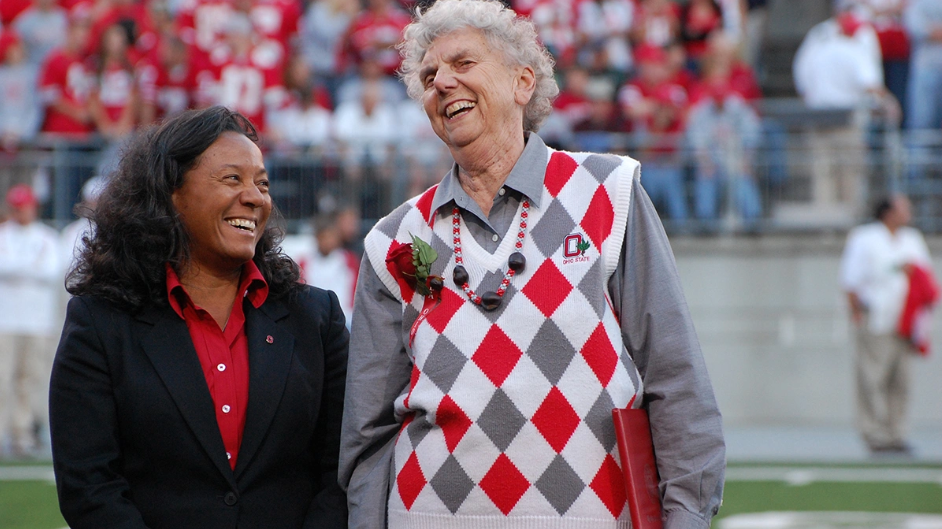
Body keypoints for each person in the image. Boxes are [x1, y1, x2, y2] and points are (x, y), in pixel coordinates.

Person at [339, 1, 725, 528]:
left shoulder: (608, 193)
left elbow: (674, 377)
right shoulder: (397, 239)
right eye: (428, 76)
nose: (442, 83)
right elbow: (369, 429)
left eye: (463, 63)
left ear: (523, 82)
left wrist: (686, 516)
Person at [49, 106, 348, 528]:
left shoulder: (317, 318)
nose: (255, 196)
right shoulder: (100, 321)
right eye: (232, 179)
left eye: (262, 183)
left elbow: (342, 472)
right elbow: (89, 486)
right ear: (172, 193)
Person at [839, 194, 933, 455]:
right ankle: (873, 434)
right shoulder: (865, 238)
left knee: (901, 381)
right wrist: (857, 313)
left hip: (906, 322)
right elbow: (850, 280)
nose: (909, 212)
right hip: (876, 319)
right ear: (889, 212)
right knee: (872, 378)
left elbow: (925, 278)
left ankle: (897, 433)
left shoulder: (912, 239)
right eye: (904, 208)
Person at [0, 184, 61, 458]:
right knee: (4, 379)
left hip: (36, 320)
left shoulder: (47, 237)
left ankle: (23, 434)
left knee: (31, 379)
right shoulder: (4, 236)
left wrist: (18, 268)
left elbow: (50, 272)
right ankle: (4, 434)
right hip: (7, 320)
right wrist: (29, 266)